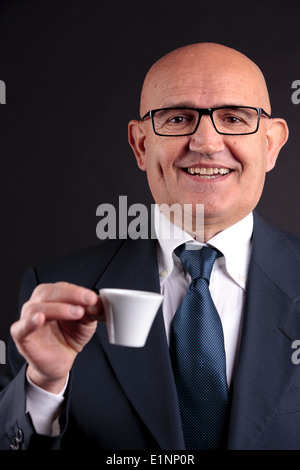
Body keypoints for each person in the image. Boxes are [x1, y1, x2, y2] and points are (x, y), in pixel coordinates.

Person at [1, 41, 298, 451]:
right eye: (178, 118)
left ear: (272, 144)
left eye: (233, 118)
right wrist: (45, 388)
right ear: (141, 145)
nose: (206, 142)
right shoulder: (55, 290)